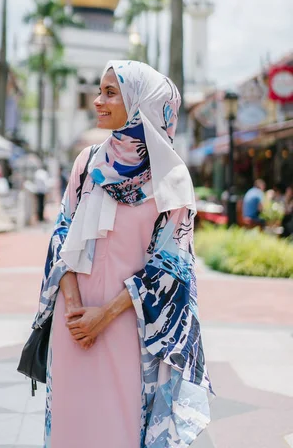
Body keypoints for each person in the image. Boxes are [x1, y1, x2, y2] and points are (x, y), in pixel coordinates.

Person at [32, 61, 212, 448]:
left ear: (140, 102)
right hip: (74, 324)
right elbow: (62, 234)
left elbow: (169, 270)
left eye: (111, 93)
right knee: (71, 429)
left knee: (120, 430)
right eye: (100, 91)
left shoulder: (171, 179)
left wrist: (104, 316)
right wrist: (76, 309)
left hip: (130, 331)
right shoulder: (88, 163)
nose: (98, 101)